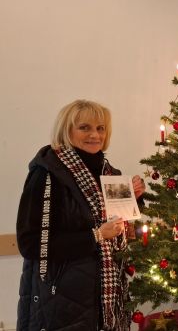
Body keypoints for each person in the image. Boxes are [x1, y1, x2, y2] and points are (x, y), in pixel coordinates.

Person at [16, 99, 146, 330]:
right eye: (84, 127)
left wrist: (134, 201)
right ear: (67, 131)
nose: (94, 135)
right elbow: (31, 244)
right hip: (60, 303)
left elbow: (122, 234)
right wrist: (95, 235)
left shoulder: (110, 174)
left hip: (106, 302)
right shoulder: (47, 175)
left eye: (100, 128)